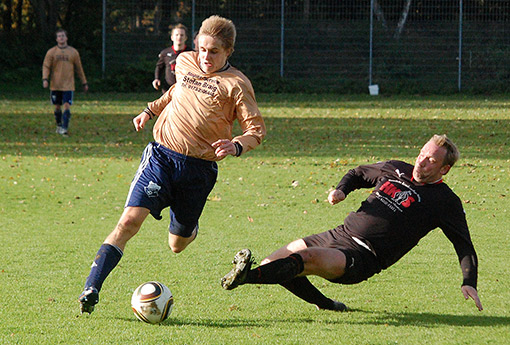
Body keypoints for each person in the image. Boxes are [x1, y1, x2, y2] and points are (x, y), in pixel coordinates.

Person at [79, 15, 266, 314]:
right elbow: (175, 92)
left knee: (177, 244)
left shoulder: (237, 85)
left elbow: (256, 130)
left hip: (199, 172)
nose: (205, 56)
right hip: (161, 157)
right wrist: (149, 111)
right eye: (202, 48)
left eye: (214, 51)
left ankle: (188, 227)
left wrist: (236, 145)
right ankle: (92, 287)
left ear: (228, 51)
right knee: (128, 222)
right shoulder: (184, 62)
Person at [221, 135, 483, 312]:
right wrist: (342, 190)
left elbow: (464, 244)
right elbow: (358, 173)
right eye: (422, 154)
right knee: (274, 264)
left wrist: (469, 280)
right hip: (338, 234)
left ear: (444, 169)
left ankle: (246, 276)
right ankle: (327, 305)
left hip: (363, 256)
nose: (421, 161)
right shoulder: (395, 168)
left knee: (304, 259)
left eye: (432, 160)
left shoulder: (445, 201)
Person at [42, 28, 88, 136]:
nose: (61, 38)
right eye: (59, 36)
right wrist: (45, 79)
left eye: (63, 36)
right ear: (56, 39)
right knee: (57, 106)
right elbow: (46, 66)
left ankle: (64, 127)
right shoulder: (51, 52)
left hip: (68, 85)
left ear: (66, 38)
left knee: (67, 105)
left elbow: (79, 68)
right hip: (55, 85)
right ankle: (59, 124)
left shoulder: (73, 52)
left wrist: (84, 82)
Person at [152, 23, 192, 93]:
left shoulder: (191, 53)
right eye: (177, 35)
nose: (179, 37)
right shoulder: (165, 53)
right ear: (172, 37)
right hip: (168, 89)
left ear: (186, 38)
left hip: (185, 90)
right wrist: (157, 78)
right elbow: (159, 67)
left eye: (182, 35)